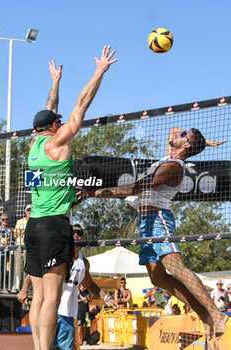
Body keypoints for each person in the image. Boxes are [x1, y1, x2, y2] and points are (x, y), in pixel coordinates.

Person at [76, 127, 227, 338]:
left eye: (184, 136)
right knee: (158, 278)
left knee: (177, 268)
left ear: (186, 146)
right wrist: (203, 142)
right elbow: (174, 130)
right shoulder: (170, 154)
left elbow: (137, 187)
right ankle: (204, 314)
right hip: (145, 222)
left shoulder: (174, 166)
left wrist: (95, 193)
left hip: (158, 220)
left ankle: (216, 314)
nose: (178, 133)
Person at [24, 47, 118, 350]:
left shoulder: (34, 146)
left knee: (38, 297)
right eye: (58, 122)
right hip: (54, 226)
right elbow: (82, 105)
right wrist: (99, 71)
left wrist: (55, 82)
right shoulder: (56, 143)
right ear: (54, 127)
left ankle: (39, 348)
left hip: (33, 226)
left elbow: (49, 107)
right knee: (52, 298)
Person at [18, 224, 117, 350]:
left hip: (69, 314)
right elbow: (33, 274)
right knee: (44, 347)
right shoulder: (58, 255)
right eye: (73, 233)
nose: (76, 236)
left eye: (79, 234)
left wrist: (107, 298)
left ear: (83, 238)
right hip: (50, 311)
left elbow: (90, 285)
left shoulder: (84, 263)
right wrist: (24, 289)